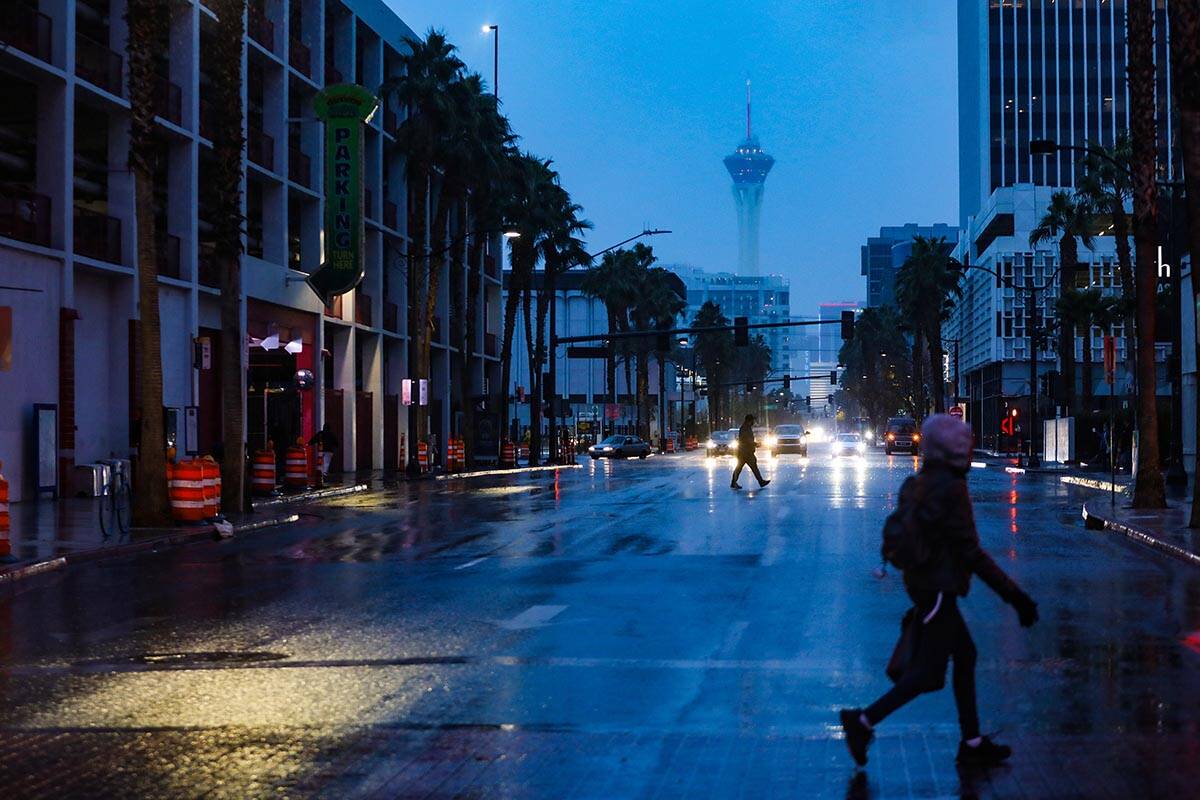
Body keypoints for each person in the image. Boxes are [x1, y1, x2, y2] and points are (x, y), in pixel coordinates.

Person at [839, 413, 1038, 768]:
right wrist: (1015, 597)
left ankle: (972, 741)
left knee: (966, 655)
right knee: (927, 673)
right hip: (937, 590)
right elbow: (970, 551)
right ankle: (863, 722)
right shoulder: (951, 487)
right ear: (955, 449)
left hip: (925, 586)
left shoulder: (923, 480)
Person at [731, 414, 770, 490]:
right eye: (752, 420)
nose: (753, 422)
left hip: (745, 452)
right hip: (745, 452)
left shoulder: (746, 427)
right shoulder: (745, 428)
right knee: (749, 468)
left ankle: (733, 483)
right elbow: (746, 440)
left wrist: (754, 444)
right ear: (749, 420)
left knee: (741, 468)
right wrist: (756, 444)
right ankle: (761, 482)